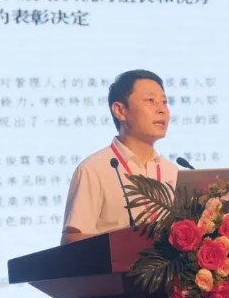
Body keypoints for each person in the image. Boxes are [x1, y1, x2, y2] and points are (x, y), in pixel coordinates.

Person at [61, 69, 178, 244]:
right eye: (150, 101)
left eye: (164, 102)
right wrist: (125, 243)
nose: (162, 110)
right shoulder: (94, 170)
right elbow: (71, 240)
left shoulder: (172, 172)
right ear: (120, 111)